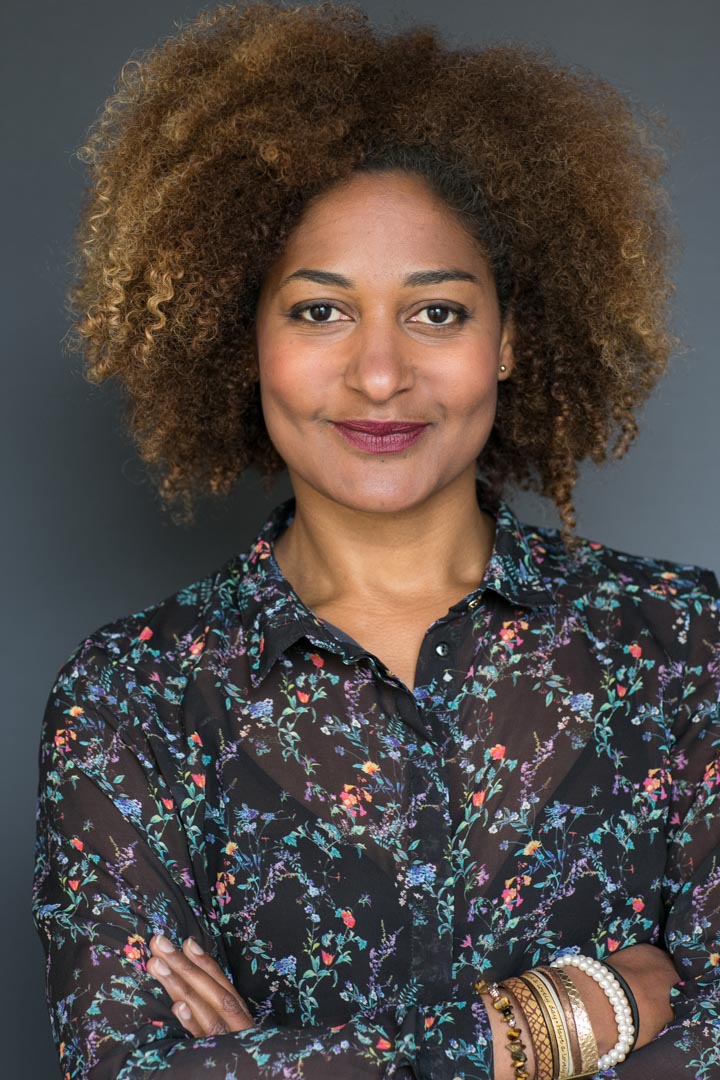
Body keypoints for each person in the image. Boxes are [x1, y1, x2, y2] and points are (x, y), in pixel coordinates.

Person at [31, 2, 719, 1078]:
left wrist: (270, 1059)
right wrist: (562, 1020)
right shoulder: (134, 699)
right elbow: (128, 1071)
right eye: (320, 311)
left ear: (509, 341)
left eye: (438, 312)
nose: (382, 373)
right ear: (243, 337)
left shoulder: (683, 644)